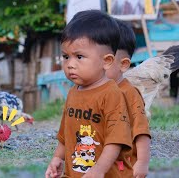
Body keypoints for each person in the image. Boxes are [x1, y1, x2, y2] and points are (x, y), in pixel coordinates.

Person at [45, 10, 133, 178]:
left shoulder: (112, 94)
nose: (70, 64)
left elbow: (116, 140)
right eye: (65, 56)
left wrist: (98, 170)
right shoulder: (73, 93)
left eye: (79, 56)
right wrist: (57, 157)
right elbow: (66, 135)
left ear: (106, 61)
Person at [106, 19, 151, 178]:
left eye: (104, 60)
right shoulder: (89, 92)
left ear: (123, 64)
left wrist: (143, 162)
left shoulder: (129, 94)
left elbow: (141, 132)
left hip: (123, 167)